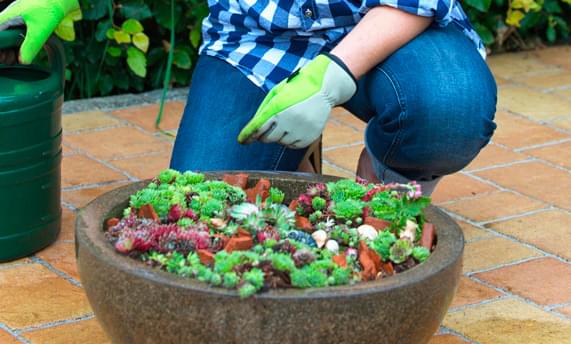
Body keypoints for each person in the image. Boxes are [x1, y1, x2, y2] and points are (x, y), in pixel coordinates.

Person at [0, 0, 497, 195]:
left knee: (448, 107)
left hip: (388, 30)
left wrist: (329, 80)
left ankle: (389, 182)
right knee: (203, 201)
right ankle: (296, 169)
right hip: (256, 42)